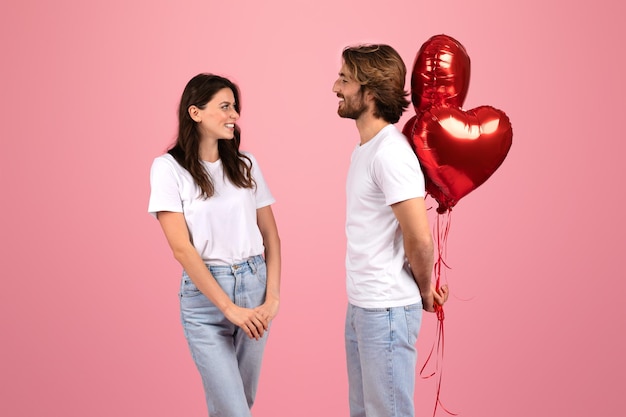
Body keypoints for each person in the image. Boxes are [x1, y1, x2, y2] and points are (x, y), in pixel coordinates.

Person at [148, 73, 281, 417]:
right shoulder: (168, 169)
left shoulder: (245, 164)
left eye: (235, 107)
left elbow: (271, 236)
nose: (234, 115)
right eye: (224, 107)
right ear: (195, 112)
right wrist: (227, 307)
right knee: (234, 410)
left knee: (239, 404)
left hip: (255, 289)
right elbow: (181, 248)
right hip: (206, 300)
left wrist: (273, 298)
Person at [332, 44, 449, 417]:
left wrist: (424, 289)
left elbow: (419, 237)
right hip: (363, 305)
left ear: (369, 93)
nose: (335, 87)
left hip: (385, 310)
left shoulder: (390, 154)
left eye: (345, 79)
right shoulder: (366, 149)